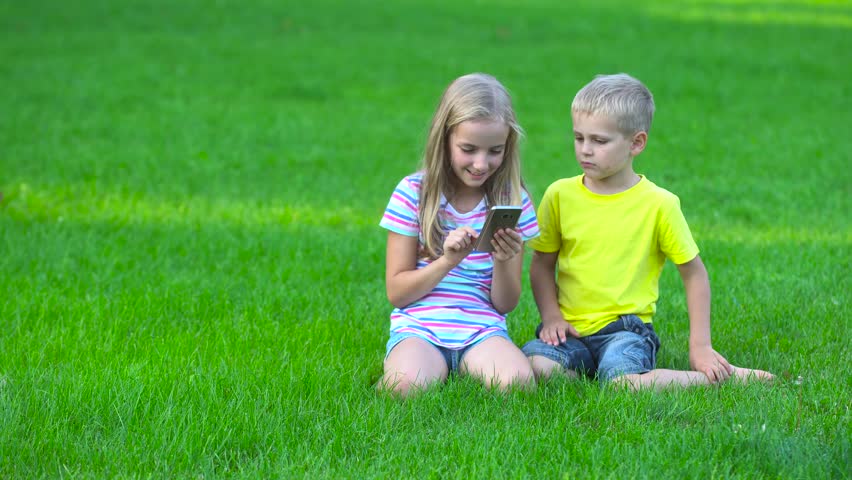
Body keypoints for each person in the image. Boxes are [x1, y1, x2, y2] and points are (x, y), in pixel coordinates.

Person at [522, 73, 773, 389]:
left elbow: (694, 274)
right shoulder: (560, 195)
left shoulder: (659, 204)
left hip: (626, 330)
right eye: (578, 137)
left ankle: (713, 380)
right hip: (570, 331)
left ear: (636, 143)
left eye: (599, 141)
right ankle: (594, 376)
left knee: (623, 387)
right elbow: (542, 265)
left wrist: (700, 347)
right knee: (535, 367)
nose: (585, 149)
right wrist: (551, 317)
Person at [379, 73, 540, 396]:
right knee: (404, 387)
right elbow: (397, 293)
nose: (481, 164)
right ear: (445, 139)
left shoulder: (512, 200)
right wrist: (447, 261)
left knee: (520, 385)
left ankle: (463, 363)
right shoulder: (414, 192)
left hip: (482, 327)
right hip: (420, 326)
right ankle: (420, 363)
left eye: (495, 151)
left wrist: (505, 260)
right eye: (468, 149)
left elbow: (505, 304)